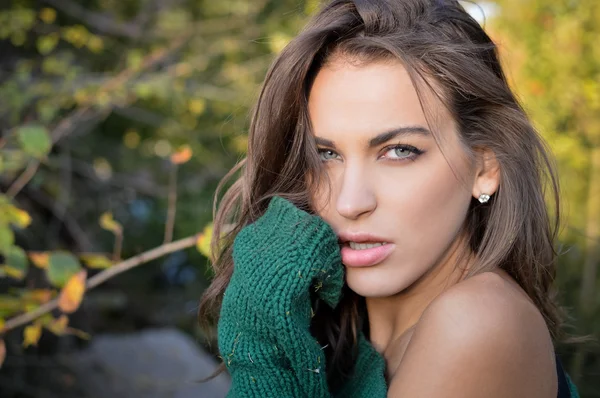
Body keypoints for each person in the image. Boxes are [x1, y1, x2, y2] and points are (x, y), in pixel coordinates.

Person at [198, 0, 580, 396]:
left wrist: (263, 337)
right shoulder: (347, 332)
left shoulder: (477, 321)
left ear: (484, 168)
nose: (350, 202)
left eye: (399, 151)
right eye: (326, 155)